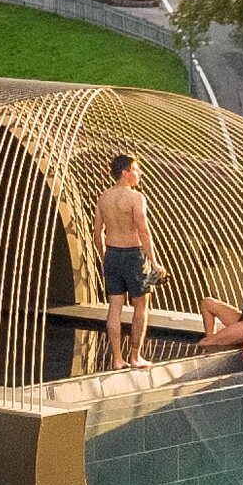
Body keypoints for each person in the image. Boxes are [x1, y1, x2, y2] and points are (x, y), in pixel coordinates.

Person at [98, 150, 154, 367]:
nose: (139, 174)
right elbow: (144, 232)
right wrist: (155, 262)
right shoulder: (136, 198)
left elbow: (97, 233)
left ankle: (117, 359)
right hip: (134, 256)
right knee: (141, 306)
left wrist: (105, 256)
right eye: (136, 170)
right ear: (125, 172)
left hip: (112, 254)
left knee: (115, 307)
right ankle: (135, 356)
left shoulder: (104, 197)